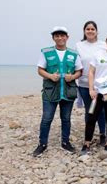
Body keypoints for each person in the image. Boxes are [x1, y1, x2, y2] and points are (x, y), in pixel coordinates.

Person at [33, 26, 83, 157]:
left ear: (67, 37)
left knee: (66, 119)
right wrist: (50, 76)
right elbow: (40, 70)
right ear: (53, 38)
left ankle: (65, 142)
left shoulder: (74, 54)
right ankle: (42, 144)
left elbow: (79, 71)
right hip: (51, 91)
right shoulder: (46, 52)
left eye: (62, 35)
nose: (60, 38)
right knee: (46, 118)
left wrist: (72, 77)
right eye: (57, 36)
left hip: (68, 92)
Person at [76, 21, 107, 147]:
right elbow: (76, 63)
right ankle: (88, 135)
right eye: (87, 29)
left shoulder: (103, 45)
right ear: (84, 31)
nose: (90, 31)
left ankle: (102, 134)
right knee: (89, 110)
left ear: (96, 31)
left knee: (101, 110)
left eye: (92, 29)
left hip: (100, 84)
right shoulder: (79, 45)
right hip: (84, 83)